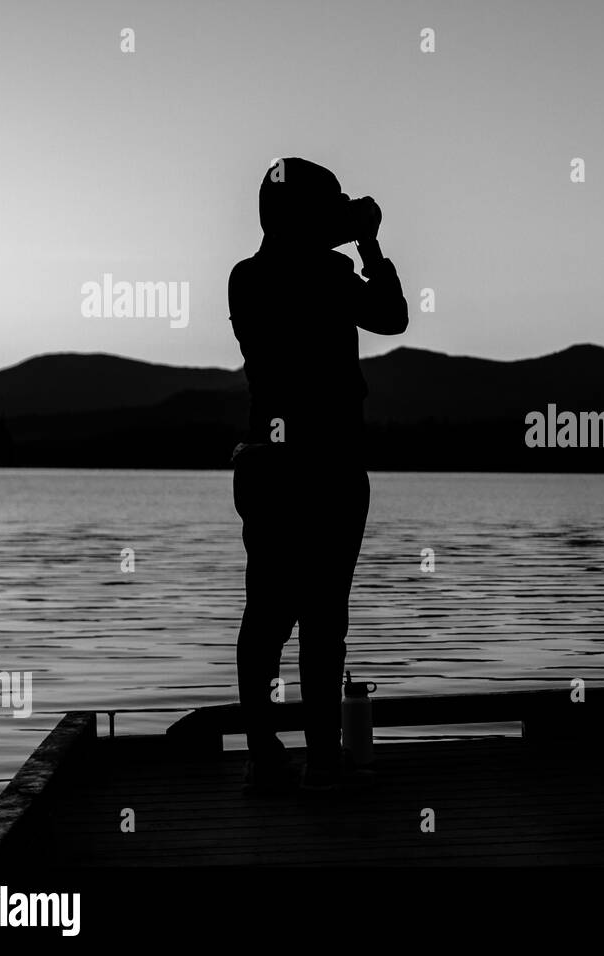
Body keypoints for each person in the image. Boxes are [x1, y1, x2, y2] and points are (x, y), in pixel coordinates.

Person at [228, 157, 408, 793]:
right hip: (326, 464)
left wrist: (347, 233)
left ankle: (264, 754)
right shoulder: (325, 273)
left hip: (271, 466)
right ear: (303, 217)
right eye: (326, 205)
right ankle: (321, 759)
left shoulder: (245, 279)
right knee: (322, 616)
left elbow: (382, 315)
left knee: (269, 614)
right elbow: (392, 314)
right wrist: (366, 241)